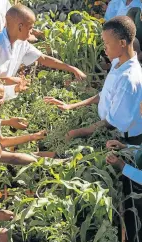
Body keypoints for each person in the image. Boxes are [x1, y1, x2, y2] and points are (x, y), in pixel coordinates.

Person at [45, 16, 142, 145]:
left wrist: (76, 133)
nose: (104, 48)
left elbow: (111, 123)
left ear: (122, 43)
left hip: (121, 139)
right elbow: (104, 95)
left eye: (107, 43)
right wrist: (71, 106)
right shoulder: (118, 62)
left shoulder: (128, 79)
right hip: (104, 125)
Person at [0, 4, 86, 80]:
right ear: (20, 27)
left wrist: (73, 69)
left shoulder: (21, 43)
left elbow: (43, 58)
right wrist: (11, 81)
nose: (31, 32)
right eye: (30, 28)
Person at [0, 74, 46, 147]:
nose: (2, 102)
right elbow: (2, 142)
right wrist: (33, 136)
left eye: (2, 98)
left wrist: (9, 122)